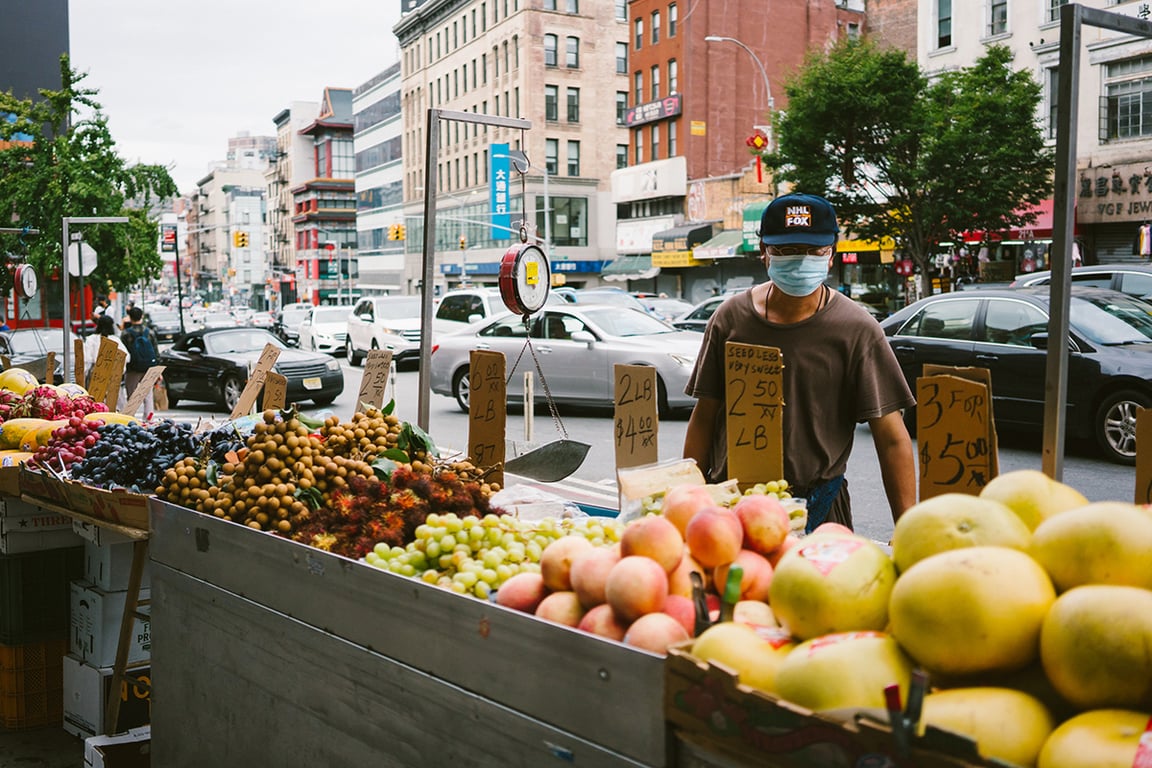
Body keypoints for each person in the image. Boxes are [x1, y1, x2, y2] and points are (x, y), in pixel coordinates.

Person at [682, 193, 916, 531]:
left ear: (831, 255)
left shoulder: (857, 330)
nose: (801, 261)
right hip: (732, 511)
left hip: (819, 512)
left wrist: (907, 528)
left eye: (813, 251)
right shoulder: (730, 319)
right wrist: (690, 501)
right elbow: (704, 418)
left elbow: (892, 438)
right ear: (764, 254)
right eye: (786, 251)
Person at [83, 314, 129, 411]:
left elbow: (87, 359)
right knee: (113, 401)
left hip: (96, 373)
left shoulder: (91, 339)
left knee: (96, 401)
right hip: (112, 374)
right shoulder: (115, 340)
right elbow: (126, 357)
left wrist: (85, 374)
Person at [121, 306, 160, 416]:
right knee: (148, 395)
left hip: (132, 368)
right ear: (142, 316)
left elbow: (123, 352)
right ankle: (148, 418)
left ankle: (131, 417)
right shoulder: (150, 332)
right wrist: (157, 368)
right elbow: (156, 351)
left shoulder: (125, 334)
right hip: (148, 367)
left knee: (131, 395)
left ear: (130, 317)